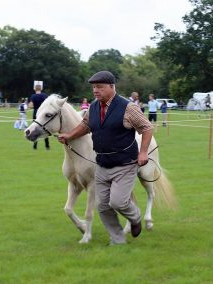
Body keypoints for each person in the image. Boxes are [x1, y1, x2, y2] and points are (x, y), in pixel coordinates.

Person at [57, 70, 153, 245]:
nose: (95, 90)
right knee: (102, 206)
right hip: (101, 163)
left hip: (125, 163)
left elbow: (146, 127)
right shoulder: (93, 107)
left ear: (111, 86)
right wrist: (69, 135)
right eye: (94, 87)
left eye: (99, 87)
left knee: (117, 202)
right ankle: (118, 240)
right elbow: (86, 125)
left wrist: (143, 152)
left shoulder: (128, 107)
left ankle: (136, 217)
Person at [29, 83, 50, 150]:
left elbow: (30, 106)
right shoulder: (45, 95)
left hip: (36, 114)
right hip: (43, 114)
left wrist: (33, 106)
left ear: (35, 89)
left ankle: (35, 146)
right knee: (45, 129)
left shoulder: (33, 96)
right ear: (41, 89)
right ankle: (47, 146)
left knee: (35, 130)